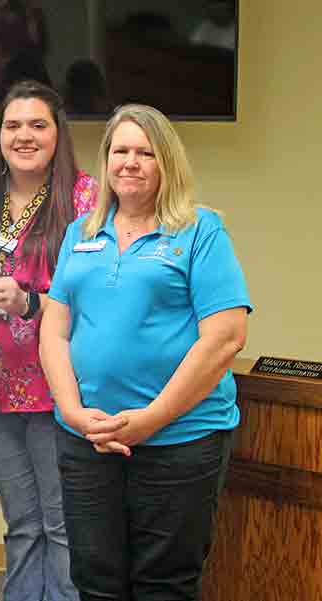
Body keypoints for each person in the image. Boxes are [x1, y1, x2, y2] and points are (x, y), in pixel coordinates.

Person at [40, 104, 251, 601]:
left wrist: (151, 418)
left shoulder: (200, 230)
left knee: (164, 585)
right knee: (95, 581)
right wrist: (73, 412)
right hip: (88, 440)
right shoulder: (81, 233)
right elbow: (54, 331)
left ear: (166, 163)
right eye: (120, 151)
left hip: (179, 441)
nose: (130, 162)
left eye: (145, 153)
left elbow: (225, 337)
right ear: (106, 161)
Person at [0, 80, 94, 601]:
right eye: (12, 125)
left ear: (58, 135)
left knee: (62, 528)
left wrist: (29, 300)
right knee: (22, 524)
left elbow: (102, 299)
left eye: (38, 125)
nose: (23, 135)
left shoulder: (88, 200)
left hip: (65, 391)